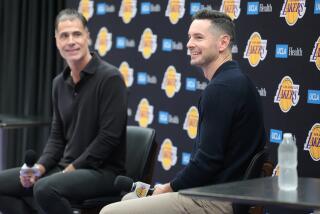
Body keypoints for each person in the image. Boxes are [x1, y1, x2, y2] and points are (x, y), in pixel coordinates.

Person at [100, 9, 266, 214]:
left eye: (198, 37)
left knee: (109, 212)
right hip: (216, 194)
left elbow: (206, 163)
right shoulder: (237, 81)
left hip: (215, 200)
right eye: (189, 37)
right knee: (129, 197)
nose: (189, 44)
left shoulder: (221, 89)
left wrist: (168, 188)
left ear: (223, 43)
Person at [0, 9, 127, 214]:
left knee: (44, 187)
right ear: (56, 41)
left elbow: (108, 138)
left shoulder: (110, 78)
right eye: (64, 35)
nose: (71, 41)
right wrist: (39, 168)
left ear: (87, 36)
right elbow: (57, 138)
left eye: (77, 34)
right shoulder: (58, 83)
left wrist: (71, 169)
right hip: (65, 167)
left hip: (102, 172)